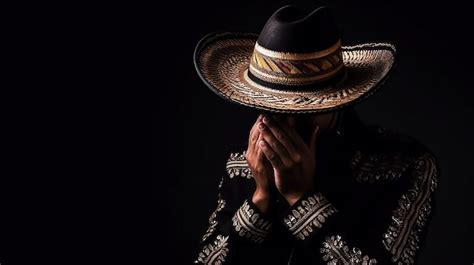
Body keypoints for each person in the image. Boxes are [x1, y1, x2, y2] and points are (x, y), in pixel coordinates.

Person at [192, 5, 438, 265]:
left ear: (335, 102)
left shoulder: (404, 165)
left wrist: (301, 198)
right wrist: (260, 198)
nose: (283, 123)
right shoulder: (242, 165)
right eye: (268, 108)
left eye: (301, 110)